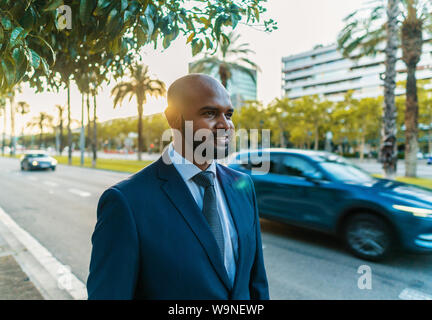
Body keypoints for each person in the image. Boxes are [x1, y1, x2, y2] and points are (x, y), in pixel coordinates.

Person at [86, 74, 269, 300]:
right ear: (173, 118)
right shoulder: (126, 202)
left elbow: (256, 283)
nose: (225, 125)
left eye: (228, 114)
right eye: (210, 113)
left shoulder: (243, 186)